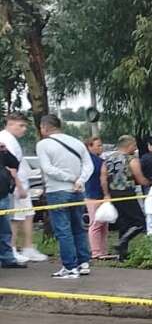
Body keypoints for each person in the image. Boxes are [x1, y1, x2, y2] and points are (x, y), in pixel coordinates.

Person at [35, 115, 93, 279]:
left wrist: (70, 178)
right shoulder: (77, 142)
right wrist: (80, 180)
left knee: (63, 230)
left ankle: (69, 267)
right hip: (77, 191)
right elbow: (88, 166)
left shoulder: (43, 144)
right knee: (78, 227)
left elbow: (47, 168)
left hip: (57, 191)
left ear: (44, 127)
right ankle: (84, 263)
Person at [1, 113, 48, 263]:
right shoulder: (5, 139)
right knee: (14, 219)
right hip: (13, 186)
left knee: (27, 215)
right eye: (21, 125)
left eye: (25, 126)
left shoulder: (12, 140)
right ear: (10, 123)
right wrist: (19, 187)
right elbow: (10, 166)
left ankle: (27, 247)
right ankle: (12, 249)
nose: (24, 129)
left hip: (19, 184)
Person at [105, 136, 144, 260]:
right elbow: (139, 177)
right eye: (134, 145)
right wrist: (149, 182)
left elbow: (102, 177)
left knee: (124, 223)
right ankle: (122, 241)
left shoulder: (108, 159)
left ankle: (122, 254)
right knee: (140, 222)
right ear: (128, 145)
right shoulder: (131, 159)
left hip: (113, 193)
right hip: (127, 192)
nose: (136, 148)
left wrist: (107, 194)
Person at [83, 136, 111, 260]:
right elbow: (103, 179)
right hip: (96, 195)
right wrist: (106, 194)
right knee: (96, 224)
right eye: (98, 145)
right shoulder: (98, 162)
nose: (101, 147)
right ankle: (96, 251)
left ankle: (102, 250)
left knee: (102, 223)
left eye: (101, 145)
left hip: (90, 194)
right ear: (90, 146)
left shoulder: (87, 161)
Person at [0, 140, 26, 269]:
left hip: (3, 195)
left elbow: (14, 163)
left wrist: (5, 150)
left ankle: (7, 258)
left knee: (5, 230)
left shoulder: (2, 151)